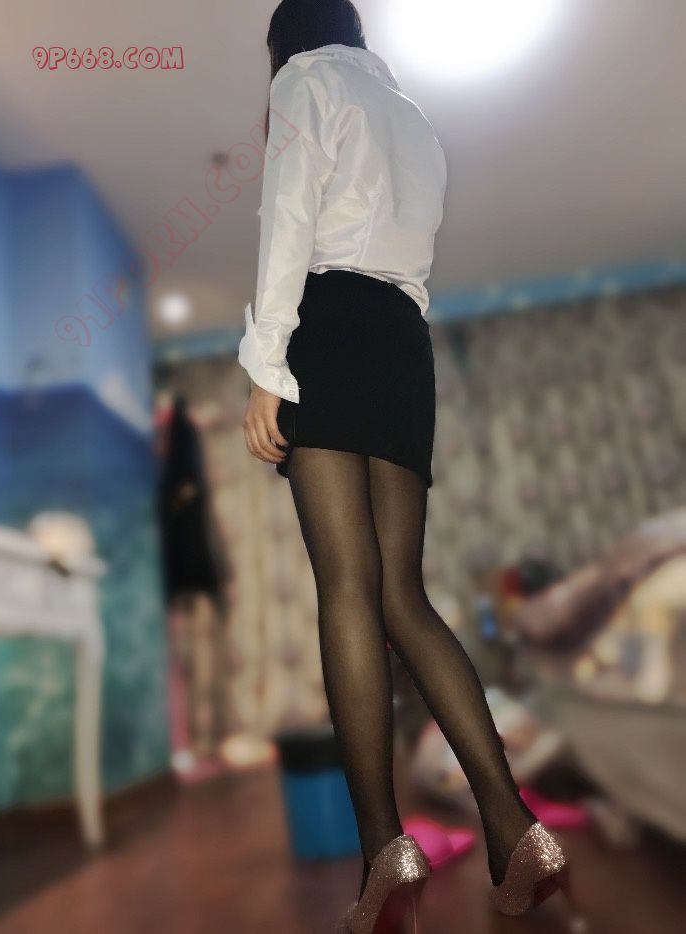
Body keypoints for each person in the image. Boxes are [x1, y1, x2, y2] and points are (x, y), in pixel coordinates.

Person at [238, 3, 581, 931]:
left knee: (347, 586)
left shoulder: (303, 78)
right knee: (402, 594)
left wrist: (265, 362)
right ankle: (517, 829)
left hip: (326, 323)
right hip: (401, 339)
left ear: (288, 36)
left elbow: (290, 217)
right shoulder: (415, 120)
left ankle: (383, 850)